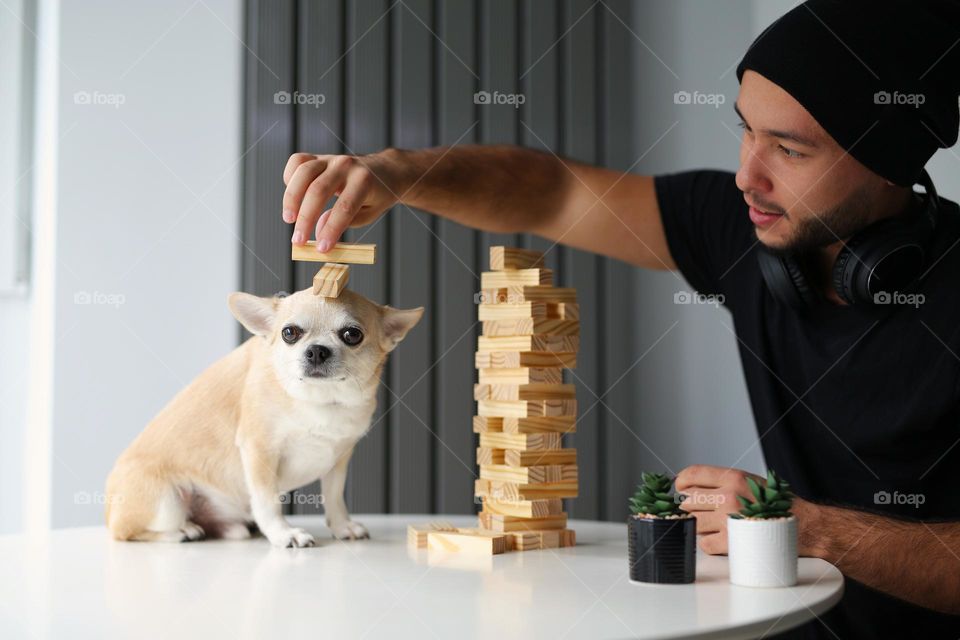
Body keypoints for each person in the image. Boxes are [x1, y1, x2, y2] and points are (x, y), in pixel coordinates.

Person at [280, 1, 960, 637]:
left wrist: (810, 531)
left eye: (788, 149)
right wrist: (397, 172)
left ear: (887, 165)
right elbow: (551, 194)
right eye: (745, 129)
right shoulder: (738, 231)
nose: (746, 176)